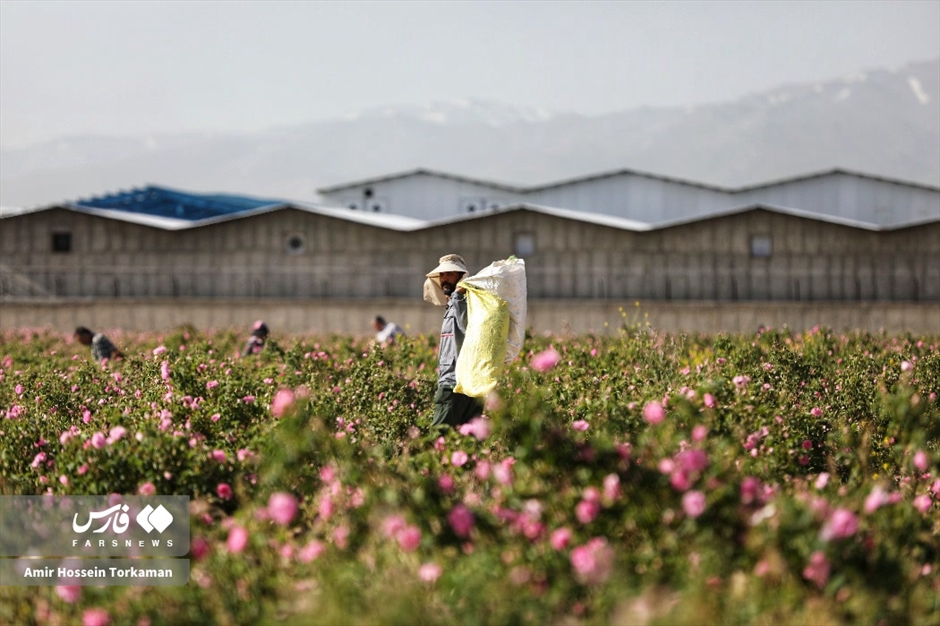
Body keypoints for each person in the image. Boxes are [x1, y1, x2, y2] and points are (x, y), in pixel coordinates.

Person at [424, 254, 483, 428]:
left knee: (438, 435)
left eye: (450, 274)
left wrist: (458, 296)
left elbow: (469, 328)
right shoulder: (453, 305)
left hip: (454, 383)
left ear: (461, 277)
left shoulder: (466, 303)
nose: (444, 279)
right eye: (442, 275)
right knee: (468, 439)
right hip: (465, 383)